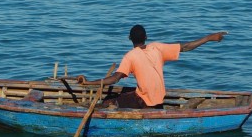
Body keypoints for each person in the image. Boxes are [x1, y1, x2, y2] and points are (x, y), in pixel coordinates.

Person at [75, 25, 228, 109]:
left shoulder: (130, 56)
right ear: (146, 38)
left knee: (108, 103)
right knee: (127, 95)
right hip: (159, 97)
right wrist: (209, 37)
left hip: (144, 99)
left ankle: (91, 108)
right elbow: (186, 46)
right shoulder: (157, 48)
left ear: (129, 39)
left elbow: (115, 79)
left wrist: (88, 83)